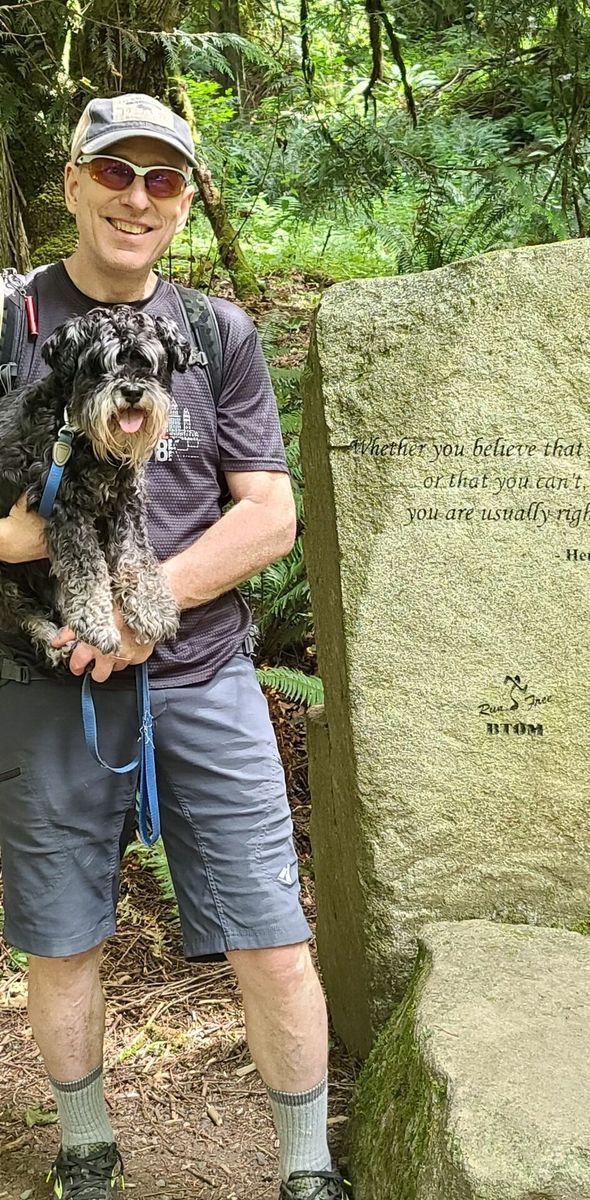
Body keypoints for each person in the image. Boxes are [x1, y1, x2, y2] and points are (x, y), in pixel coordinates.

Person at [0, 94, 349, 1200]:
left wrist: (143, 617)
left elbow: (270, 516)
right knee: (61, 935)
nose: (136, 199)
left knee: (271, 929)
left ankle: (307, 1167)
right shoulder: (10, 321)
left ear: (186, 201)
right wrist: (21, 545)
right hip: (43, 676)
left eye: (162, 180)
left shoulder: (215, 333)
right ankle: (86, 1149)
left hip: (201, 671)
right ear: (72, 183)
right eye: (115, 173)